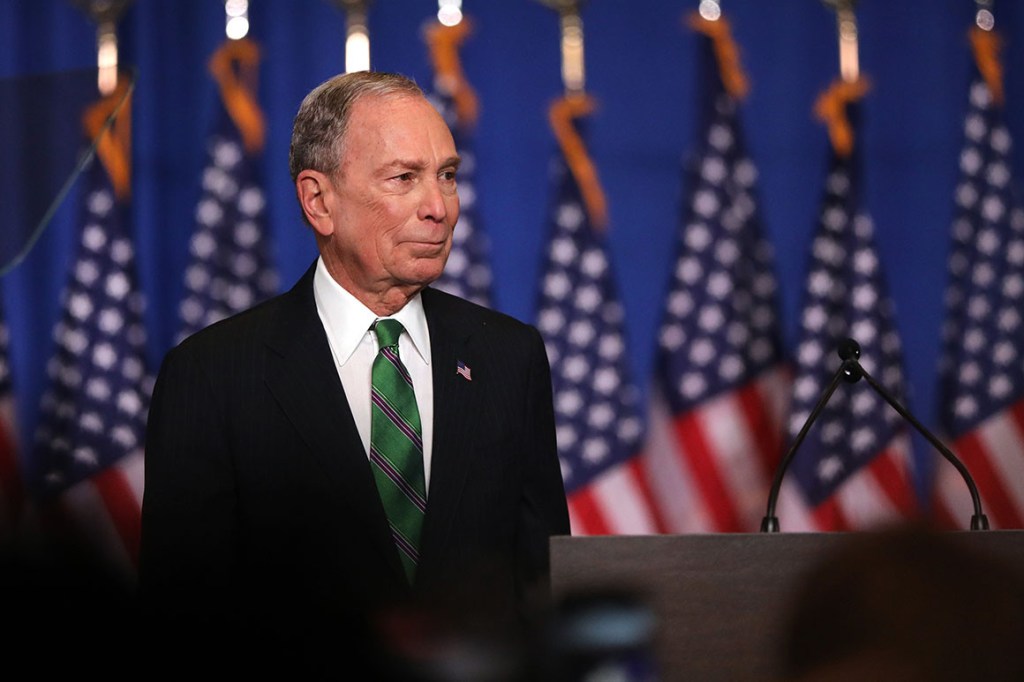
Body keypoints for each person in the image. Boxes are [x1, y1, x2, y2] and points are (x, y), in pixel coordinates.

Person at [138, 70, 570, 675]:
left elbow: (540, 584)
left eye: (447, 176)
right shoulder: (213, 375)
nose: (438, 208)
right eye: (404, 178)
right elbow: (182, 621)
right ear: (319, 201)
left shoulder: (509, 357)